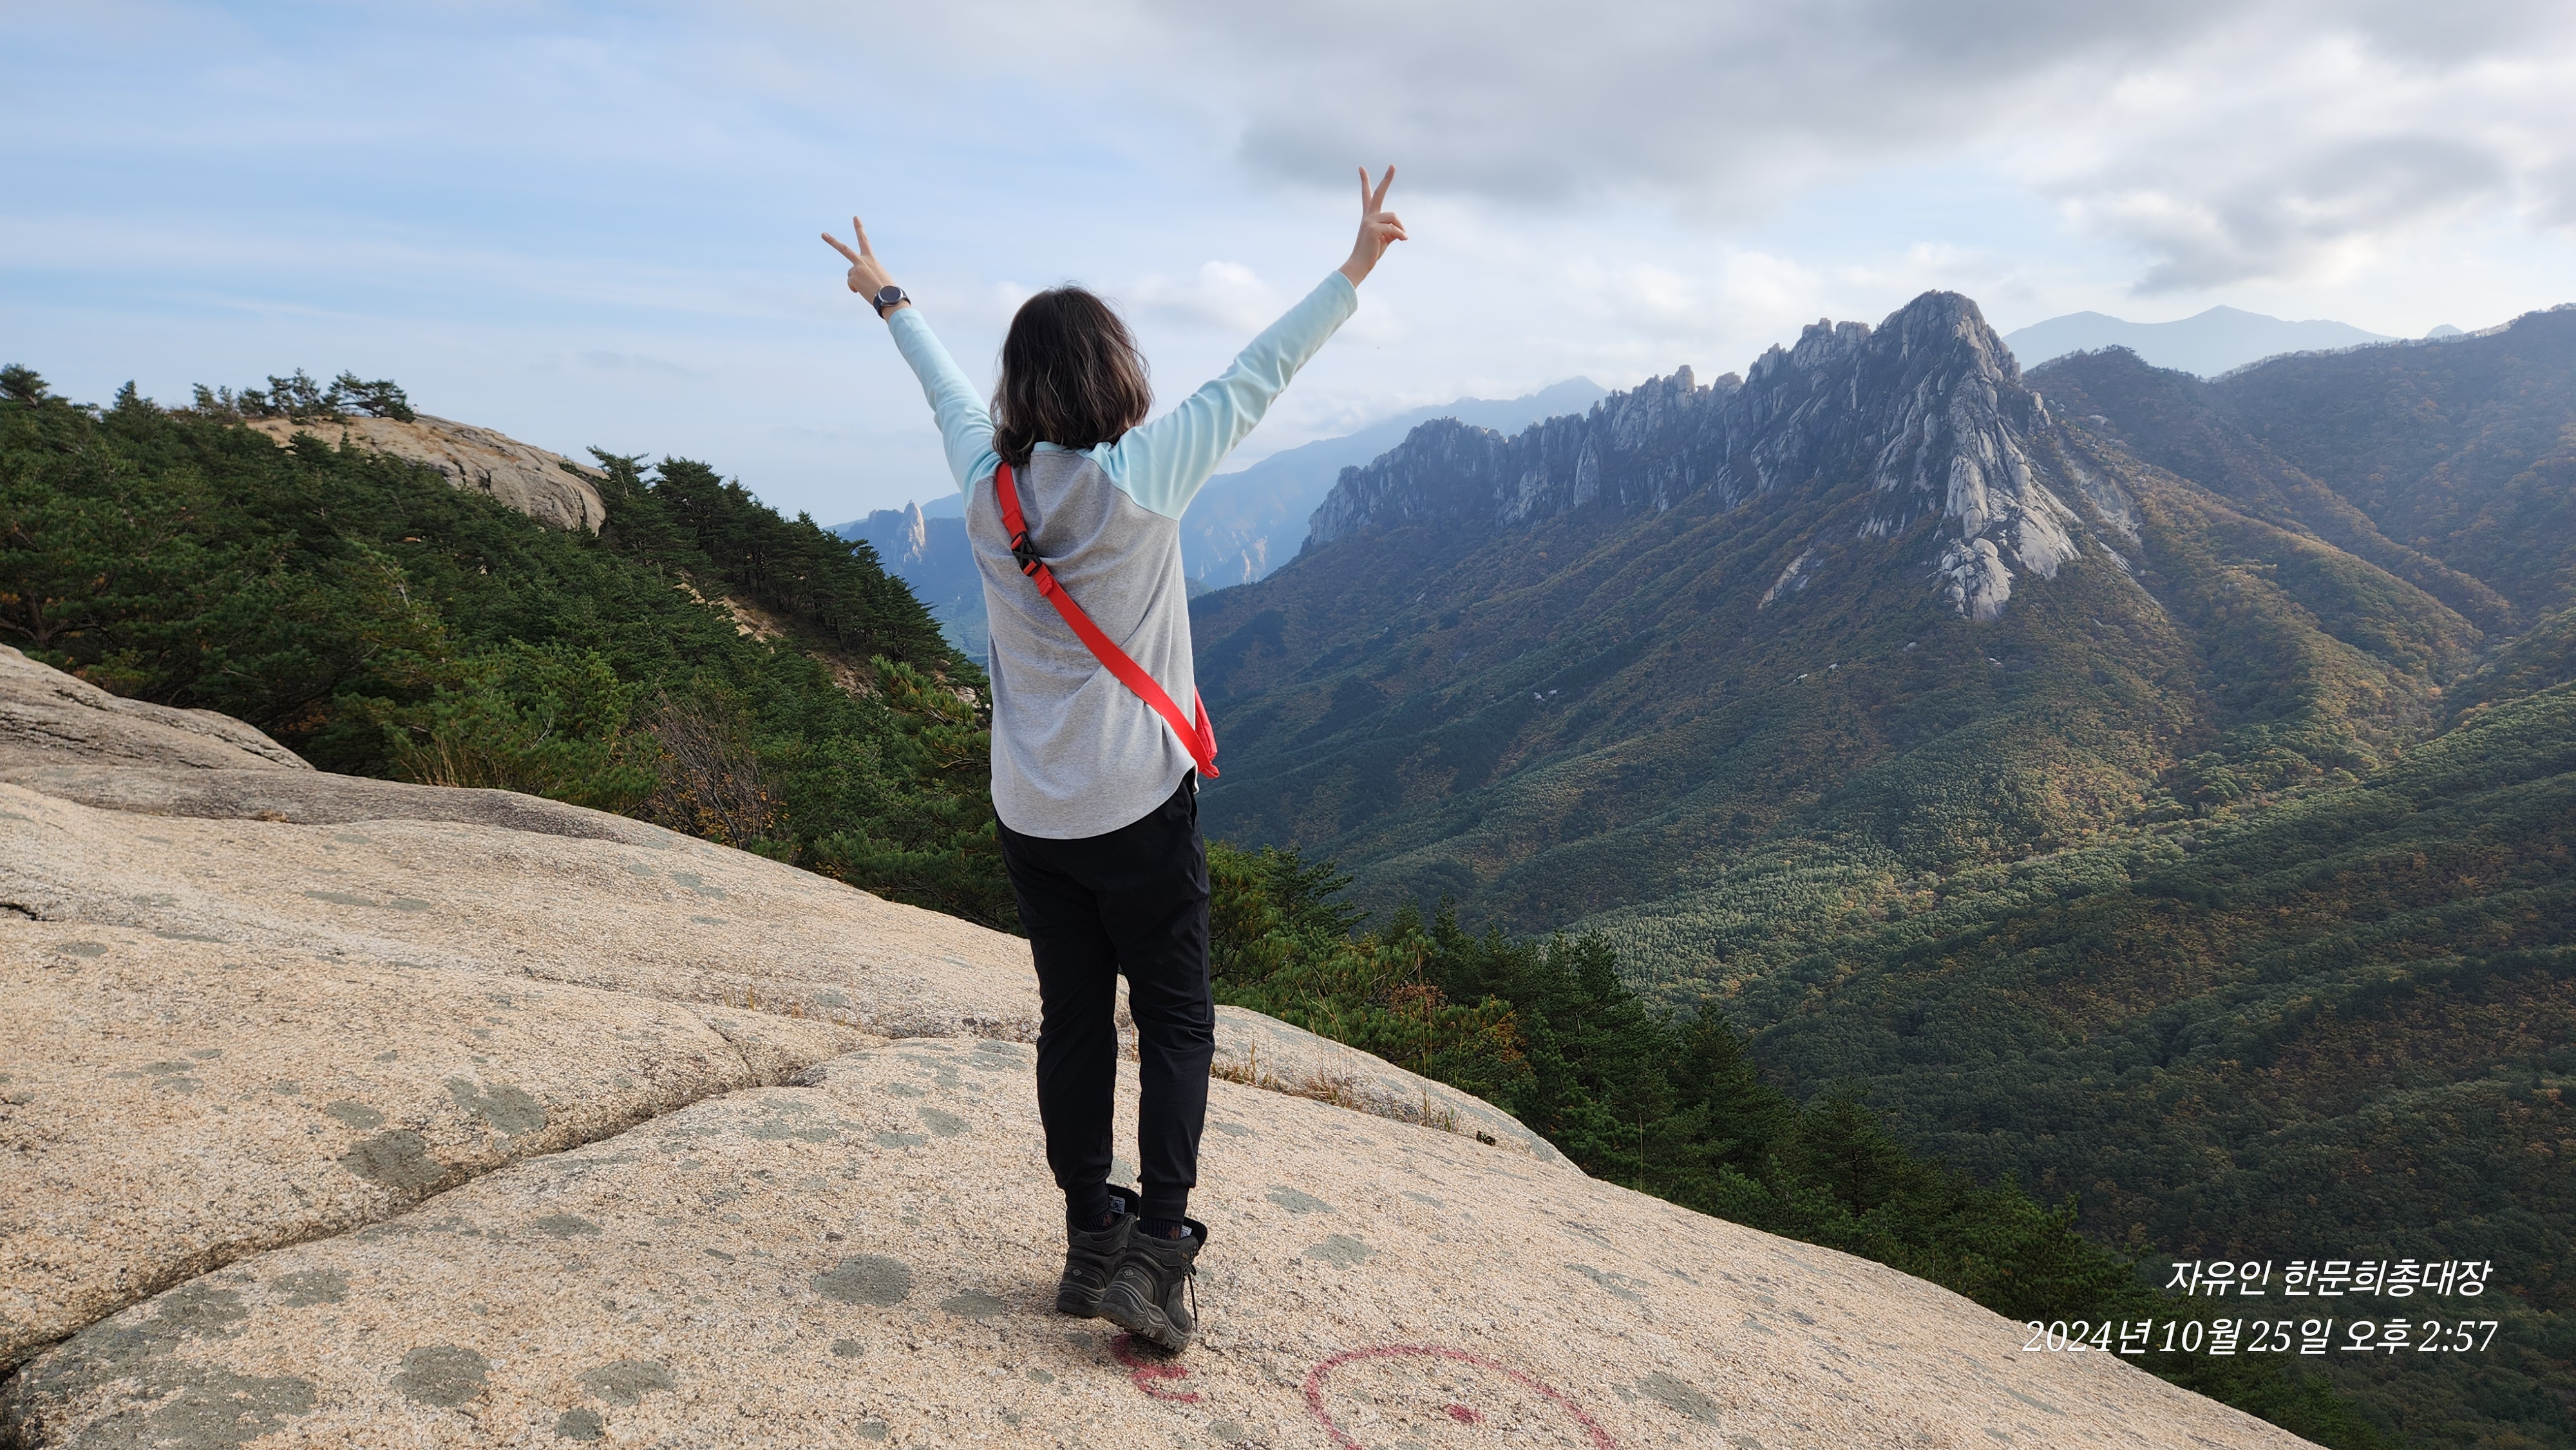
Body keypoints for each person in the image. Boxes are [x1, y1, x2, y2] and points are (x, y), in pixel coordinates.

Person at [824, 169, 1405, 1352]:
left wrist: (892, 301)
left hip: (1031, 815)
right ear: (1117, 374)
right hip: (1138, 808)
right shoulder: (1146, 477)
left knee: (1075, 1021)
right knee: (1178, 1021)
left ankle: (1092, 1235)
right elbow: (1257, 374)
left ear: (1021, 387)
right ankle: (1159, 1247)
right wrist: (1354, 269)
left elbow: (943, 391)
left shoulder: (987, 490)